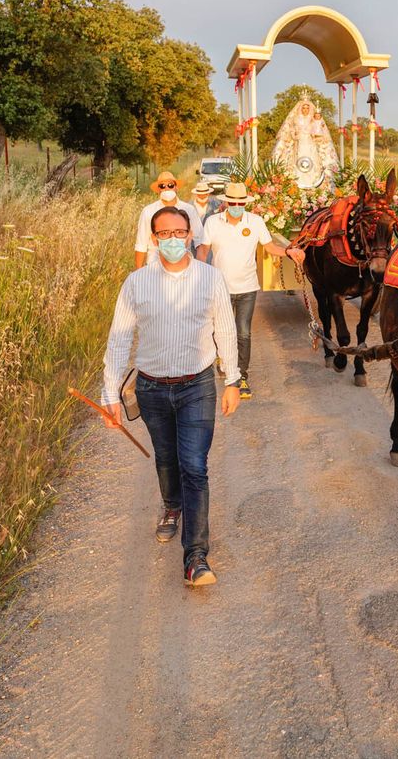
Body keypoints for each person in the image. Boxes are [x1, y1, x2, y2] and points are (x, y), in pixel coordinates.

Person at [101, 205, 241, 587]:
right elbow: (119, 340)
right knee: (166, 457)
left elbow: (226, 332)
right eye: (165, 234)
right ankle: (171, 506)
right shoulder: (136, 284)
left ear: (190, 235)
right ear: (154, 238)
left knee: (194, 465)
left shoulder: (210, 279)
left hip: (197, 385)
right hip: (151, 388)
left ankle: (195, 557)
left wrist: (233, 380)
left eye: (180, 233)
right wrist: (109, 393)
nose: (174, 240)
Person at [205, 181, 306, 400]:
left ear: (245, 203)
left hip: (247, 288)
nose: (237, 205)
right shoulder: (213, 223)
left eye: (241, 202)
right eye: (233, 202)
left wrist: (290, 252)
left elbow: (270, 247)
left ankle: (241, 377)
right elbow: (203, 250)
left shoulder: (256, 222)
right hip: (219, 288)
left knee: (243, 332)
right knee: (221, 331)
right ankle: (223, 358)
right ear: (225, 203)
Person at [134, 171, 208, 268]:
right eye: (162, 186)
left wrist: (200, 269)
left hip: (184, 264)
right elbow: (141, 244)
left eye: (170, 185)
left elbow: (200, 241)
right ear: (158, 190)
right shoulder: (148, 211)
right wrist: (139, 272)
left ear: (176, 187)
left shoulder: (189, 210)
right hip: (155, 265)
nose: (166, 188)